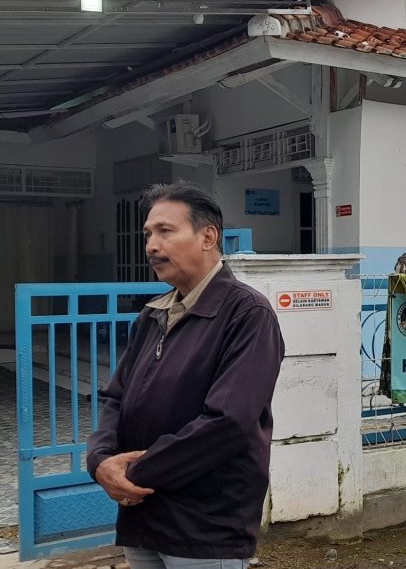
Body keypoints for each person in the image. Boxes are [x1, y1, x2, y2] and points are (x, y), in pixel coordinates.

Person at [87, 181, 285, 569]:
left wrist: (133, 473)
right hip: (143, 519)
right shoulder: (153, 315)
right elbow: (116, 397)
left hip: (204, 528)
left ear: (208, 236)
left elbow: (227, 422)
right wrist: (101, 461)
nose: (151, 246)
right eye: (148, 234)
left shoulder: (247, 314)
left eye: (165, 231)